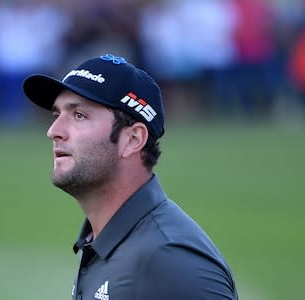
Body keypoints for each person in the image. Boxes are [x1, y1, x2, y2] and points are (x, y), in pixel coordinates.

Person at [22, 53, 238, 300]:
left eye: (79, 115)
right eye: (56, 115)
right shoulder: (104, 241)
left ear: (132, 140)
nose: (54, 131)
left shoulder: (170, 260)